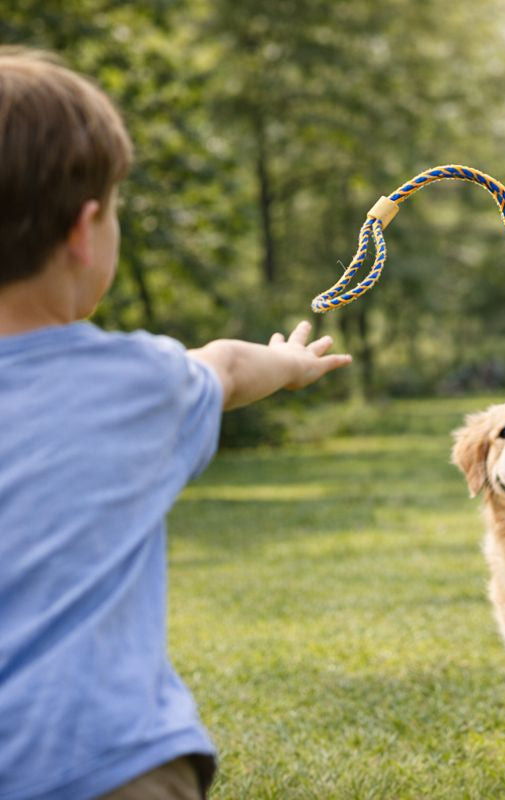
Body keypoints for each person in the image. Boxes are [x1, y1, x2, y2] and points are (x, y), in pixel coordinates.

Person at [0, 47, 352, 800]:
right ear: (85, 231)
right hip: (110, 763)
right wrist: (289, 364)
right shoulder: (135, 384)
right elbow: (225, 367)